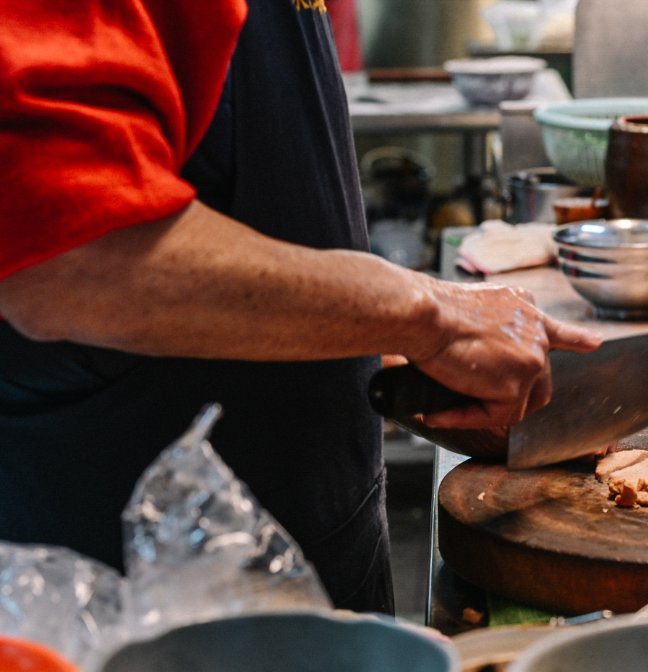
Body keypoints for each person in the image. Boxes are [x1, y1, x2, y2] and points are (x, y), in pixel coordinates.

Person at [0, 0, 601, 614]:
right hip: (130, 584)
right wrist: (431, 315)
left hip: (316, 539)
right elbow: (72, 261)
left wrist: (397, 355)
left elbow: (262, 218)